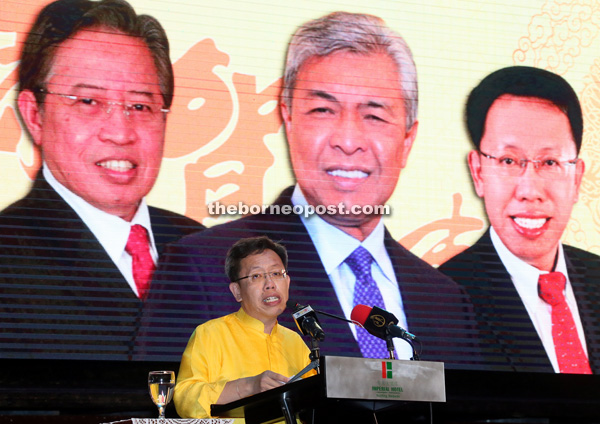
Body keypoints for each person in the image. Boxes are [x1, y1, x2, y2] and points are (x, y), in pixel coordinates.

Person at [146, 11, 478, 366]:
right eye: (323, 109)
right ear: (286, 117)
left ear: (408, 139)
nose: (348, 141)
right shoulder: (203, 267)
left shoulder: (447, 301)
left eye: (374, 115)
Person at [0, 0, 203, 359]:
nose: (120, 133)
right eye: (89, 101)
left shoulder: (205, 249)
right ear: (34, 115)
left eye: (140, 106)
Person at [439, 66, 600, 373]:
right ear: (478, 172)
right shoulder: (445, 300)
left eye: (550, 162)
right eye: (509, 161)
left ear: (577, 178)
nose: (529, 191)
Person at [174, 236, 312, 419]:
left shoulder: (295, 341)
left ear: (287, 282)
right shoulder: (210, 334)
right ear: (237, 291)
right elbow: (186, 399)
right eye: (256, 276)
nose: (270, 284)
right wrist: (248, 387)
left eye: (277, 274)